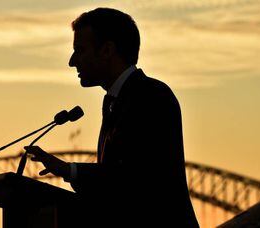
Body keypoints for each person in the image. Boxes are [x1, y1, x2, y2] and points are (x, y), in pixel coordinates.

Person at [24, 7, 199, 227]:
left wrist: (70, 170)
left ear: (107, 50)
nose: (72, 61)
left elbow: (134, 179)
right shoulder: (115, 100)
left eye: (80, 50)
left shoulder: (151, 96)